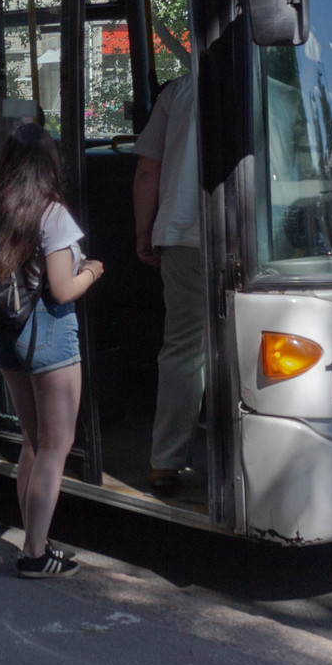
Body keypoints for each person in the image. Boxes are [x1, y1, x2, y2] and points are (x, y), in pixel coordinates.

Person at [0, 123, 105, 578]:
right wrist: (93, 272)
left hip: (9, 338)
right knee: (56, 447)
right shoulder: (52, 214)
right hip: (50, 339)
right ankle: (36, 553)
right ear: (49, 165)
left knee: (31, 442)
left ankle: (33, 540)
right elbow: (62, 290)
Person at [133, 71, 203, 497]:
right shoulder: (274, 76)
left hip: (182, 234)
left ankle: (165, 462)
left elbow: (147, 168)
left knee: (184, 347)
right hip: (258, 239)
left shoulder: (180, 90)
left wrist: (145, 232)